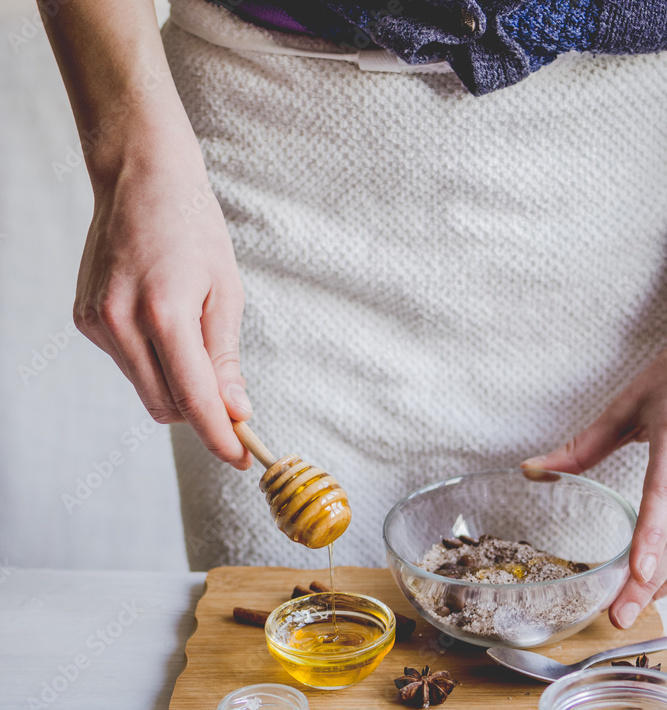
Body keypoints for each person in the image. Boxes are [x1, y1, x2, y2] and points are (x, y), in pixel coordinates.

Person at [42, 0, 667, 631]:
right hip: (261, 151)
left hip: (621, 185)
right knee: (276, 682)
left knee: (581, 662)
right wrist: (130, 152)